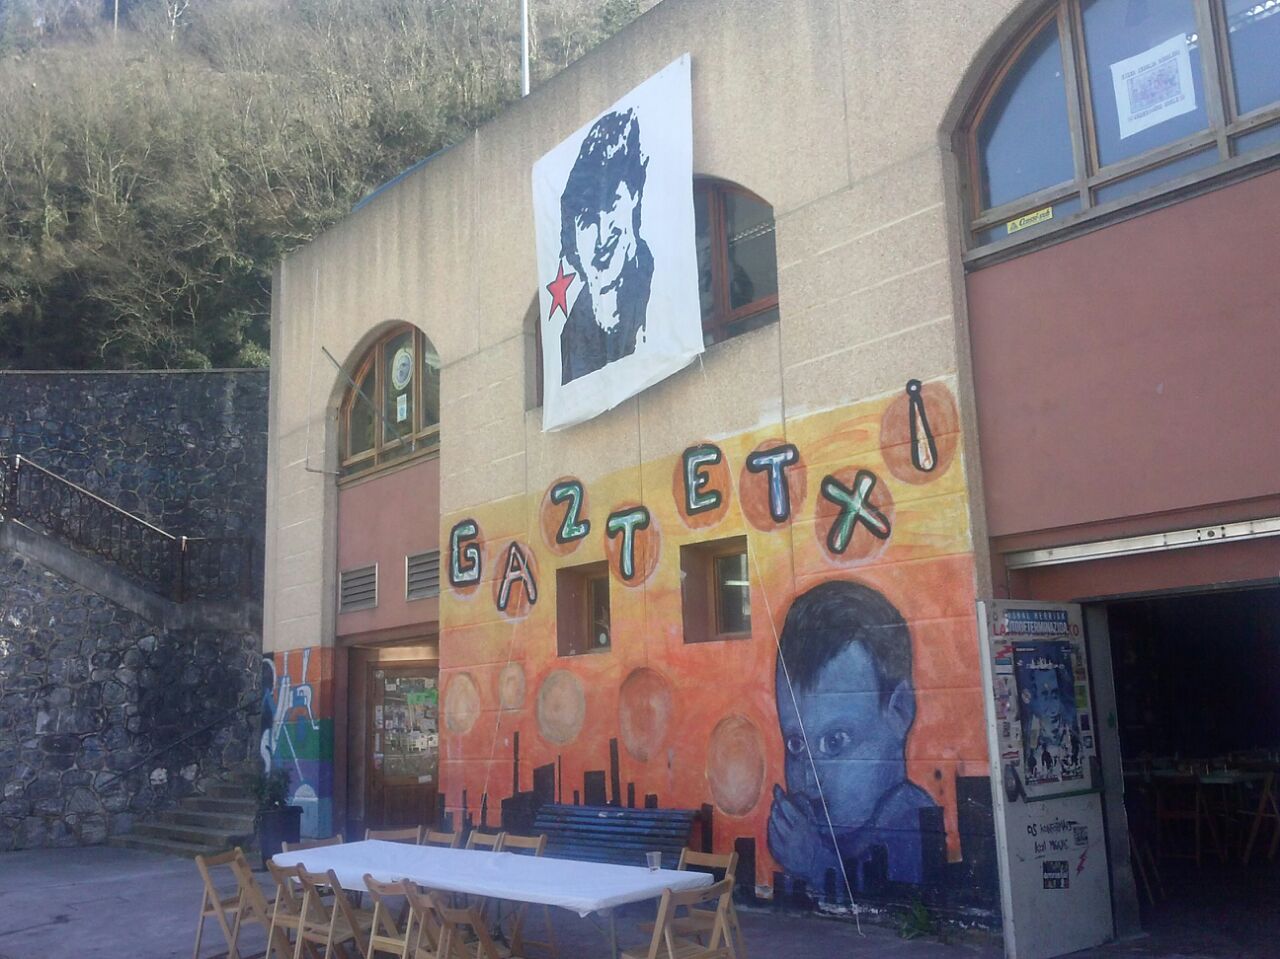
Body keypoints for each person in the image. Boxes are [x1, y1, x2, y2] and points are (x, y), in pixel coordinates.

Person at [768, 580, 939, 893]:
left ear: (899, 710)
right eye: (796, 745)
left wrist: (814, 862)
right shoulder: (831, 830)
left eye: (835, 742)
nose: (810, 778)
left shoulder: (909, 820)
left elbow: (890, 899)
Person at [557, 107, 654, 385]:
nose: (602, 233)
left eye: (612, 205)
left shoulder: (660, 290)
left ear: (634, 197)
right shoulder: (572, 333)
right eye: (587, 218)